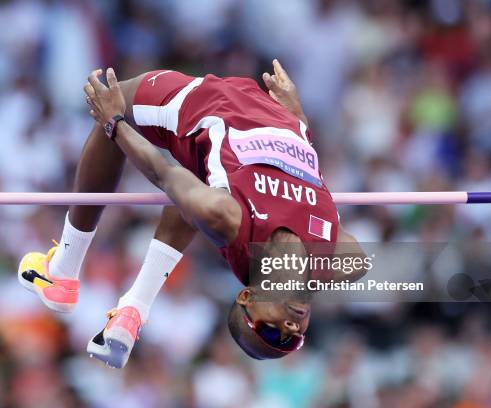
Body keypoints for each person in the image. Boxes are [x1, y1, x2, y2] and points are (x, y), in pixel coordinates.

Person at [18, 60, 365, 368]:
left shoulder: (228, 217)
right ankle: (133, 309)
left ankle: (62, 272)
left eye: (271, 333)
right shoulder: (336, 261)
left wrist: (115, 122)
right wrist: (298, 120)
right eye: (293, 339)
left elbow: (164, 174)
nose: (289, 329)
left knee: (115, 99)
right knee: (198, 198)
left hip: (203, 105)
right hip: (280, 120)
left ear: (247, 298)